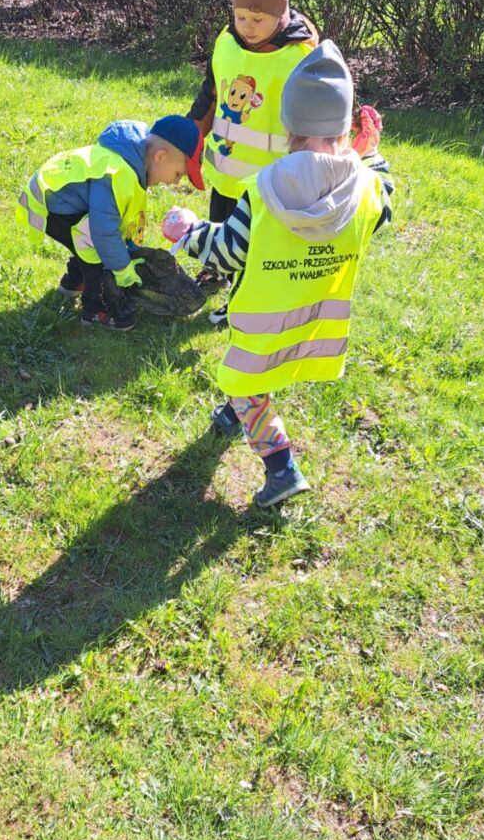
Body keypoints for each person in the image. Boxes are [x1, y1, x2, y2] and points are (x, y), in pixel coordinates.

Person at [167, 41, 394, 507]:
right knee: (254, 379)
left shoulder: (263, 192)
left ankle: (281, 469)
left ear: (287, 126)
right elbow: (383, 191)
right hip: (315, 324)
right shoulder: (368, 189)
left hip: (262, 325)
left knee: (246, 383)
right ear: (345, 127)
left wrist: (188, 232)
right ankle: (233, 415)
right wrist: (369, 154)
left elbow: (225, 253)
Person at [187, 0, 319, 330]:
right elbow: (210, 95)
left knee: (254, 247)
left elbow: (318, 118)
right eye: (240, 16)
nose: (247, 26)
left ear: (281, 12)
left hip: (268, 183)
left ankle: (242, 302)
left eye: (258, 19)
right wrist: (190, 137)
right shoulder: (225, 41)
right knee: (220, 229)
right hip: (225, 175)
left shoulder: (300, 55)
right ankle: (215, 269)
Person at [15, 116, 204, 330]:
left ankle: (73, 282)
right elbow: (104, 232)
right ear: (160, 156)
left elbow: (112, 218)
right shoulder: (119, 172)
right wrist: (122, 269)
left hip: (61, 199)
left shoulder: (132, 154)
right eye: (178, 174)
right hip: (53, 204)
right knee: (96, 252)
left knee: (86, 241)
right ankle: (95, 310)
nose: (175, 182)